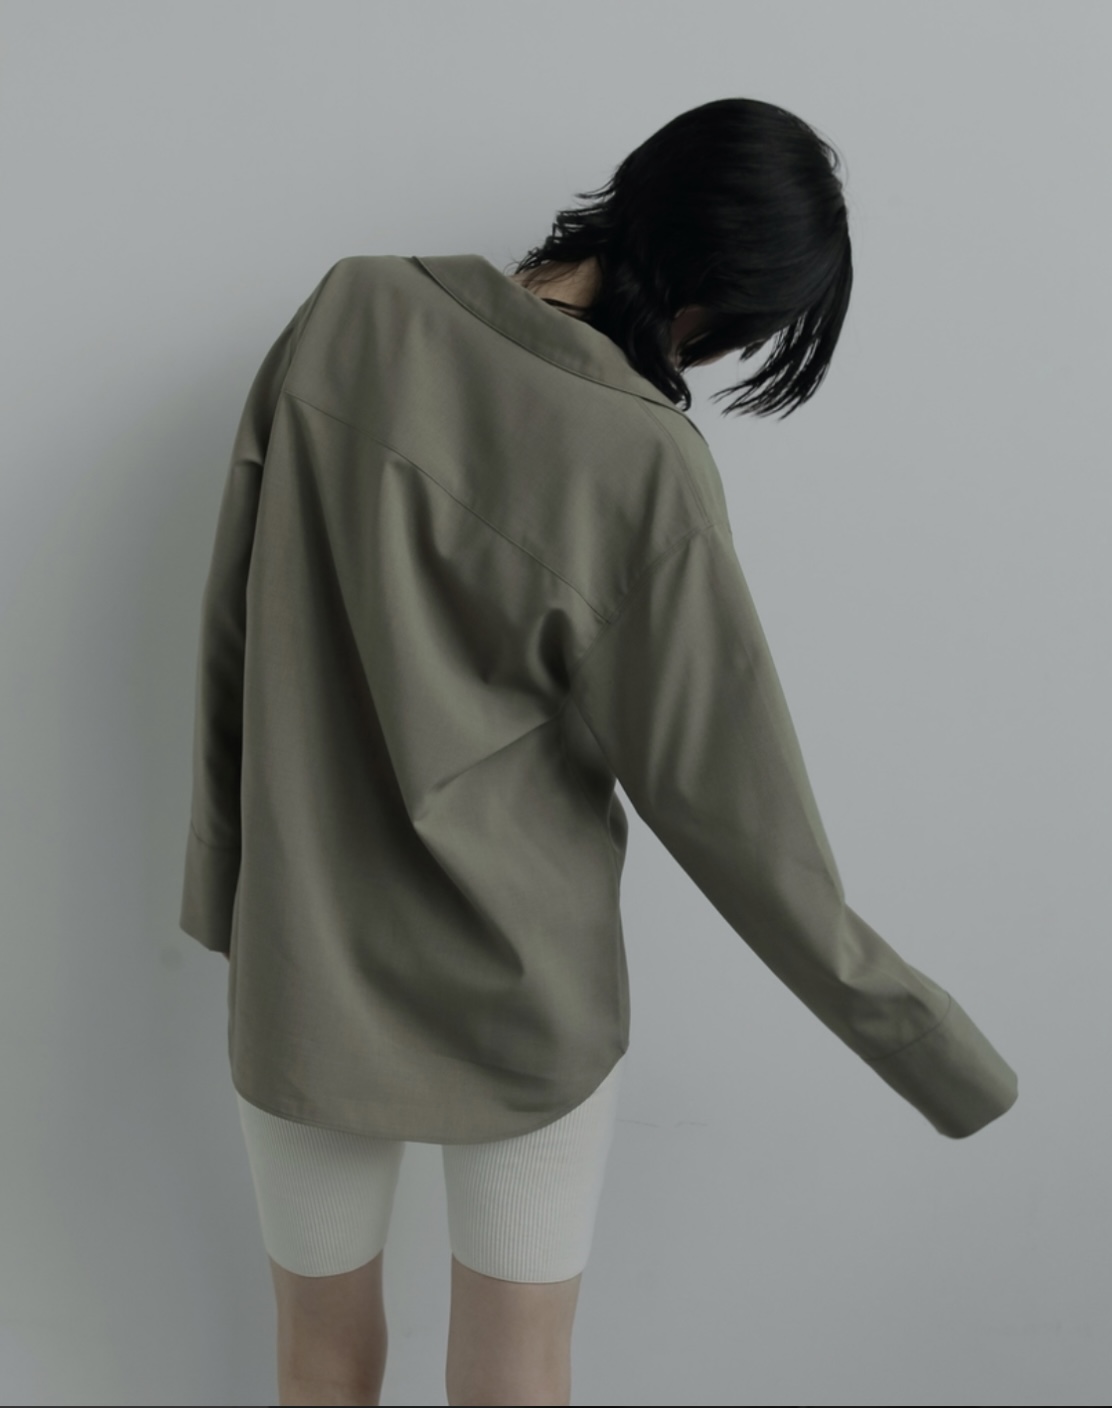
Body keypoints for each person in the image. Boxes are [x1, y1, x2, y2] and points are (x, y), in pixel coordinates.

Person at [180, 97, 1017, 1407]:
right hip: (530, 1001)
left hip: (306, 961)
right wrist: (935, 1053)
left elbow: (233, 623)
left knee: (319, 1357)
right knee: (518, 1374)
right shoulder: (643, 463)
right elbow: (741, 821)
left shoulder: (351, 311)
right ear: (718, 307)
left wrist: (232, 891)